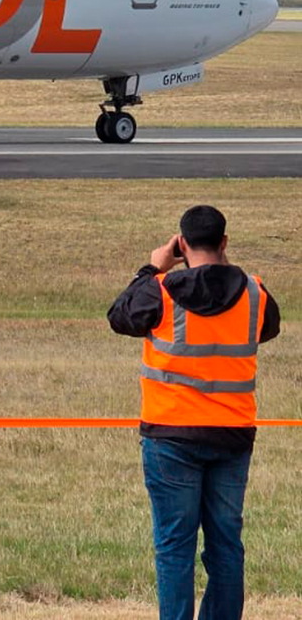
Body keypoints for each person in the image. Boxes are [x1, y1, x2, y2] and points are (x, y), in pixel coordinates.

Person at [108, 205, 280, 620]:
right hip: (231, 437)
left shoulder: (161, 290)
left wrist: (150, 268)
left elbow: (119, 315)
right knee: (225, 545)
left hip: (170, 436)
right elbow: (269, 327)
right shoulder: (255, 294)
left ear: (181, 245)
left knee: (174, 548)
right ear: (224, 244)